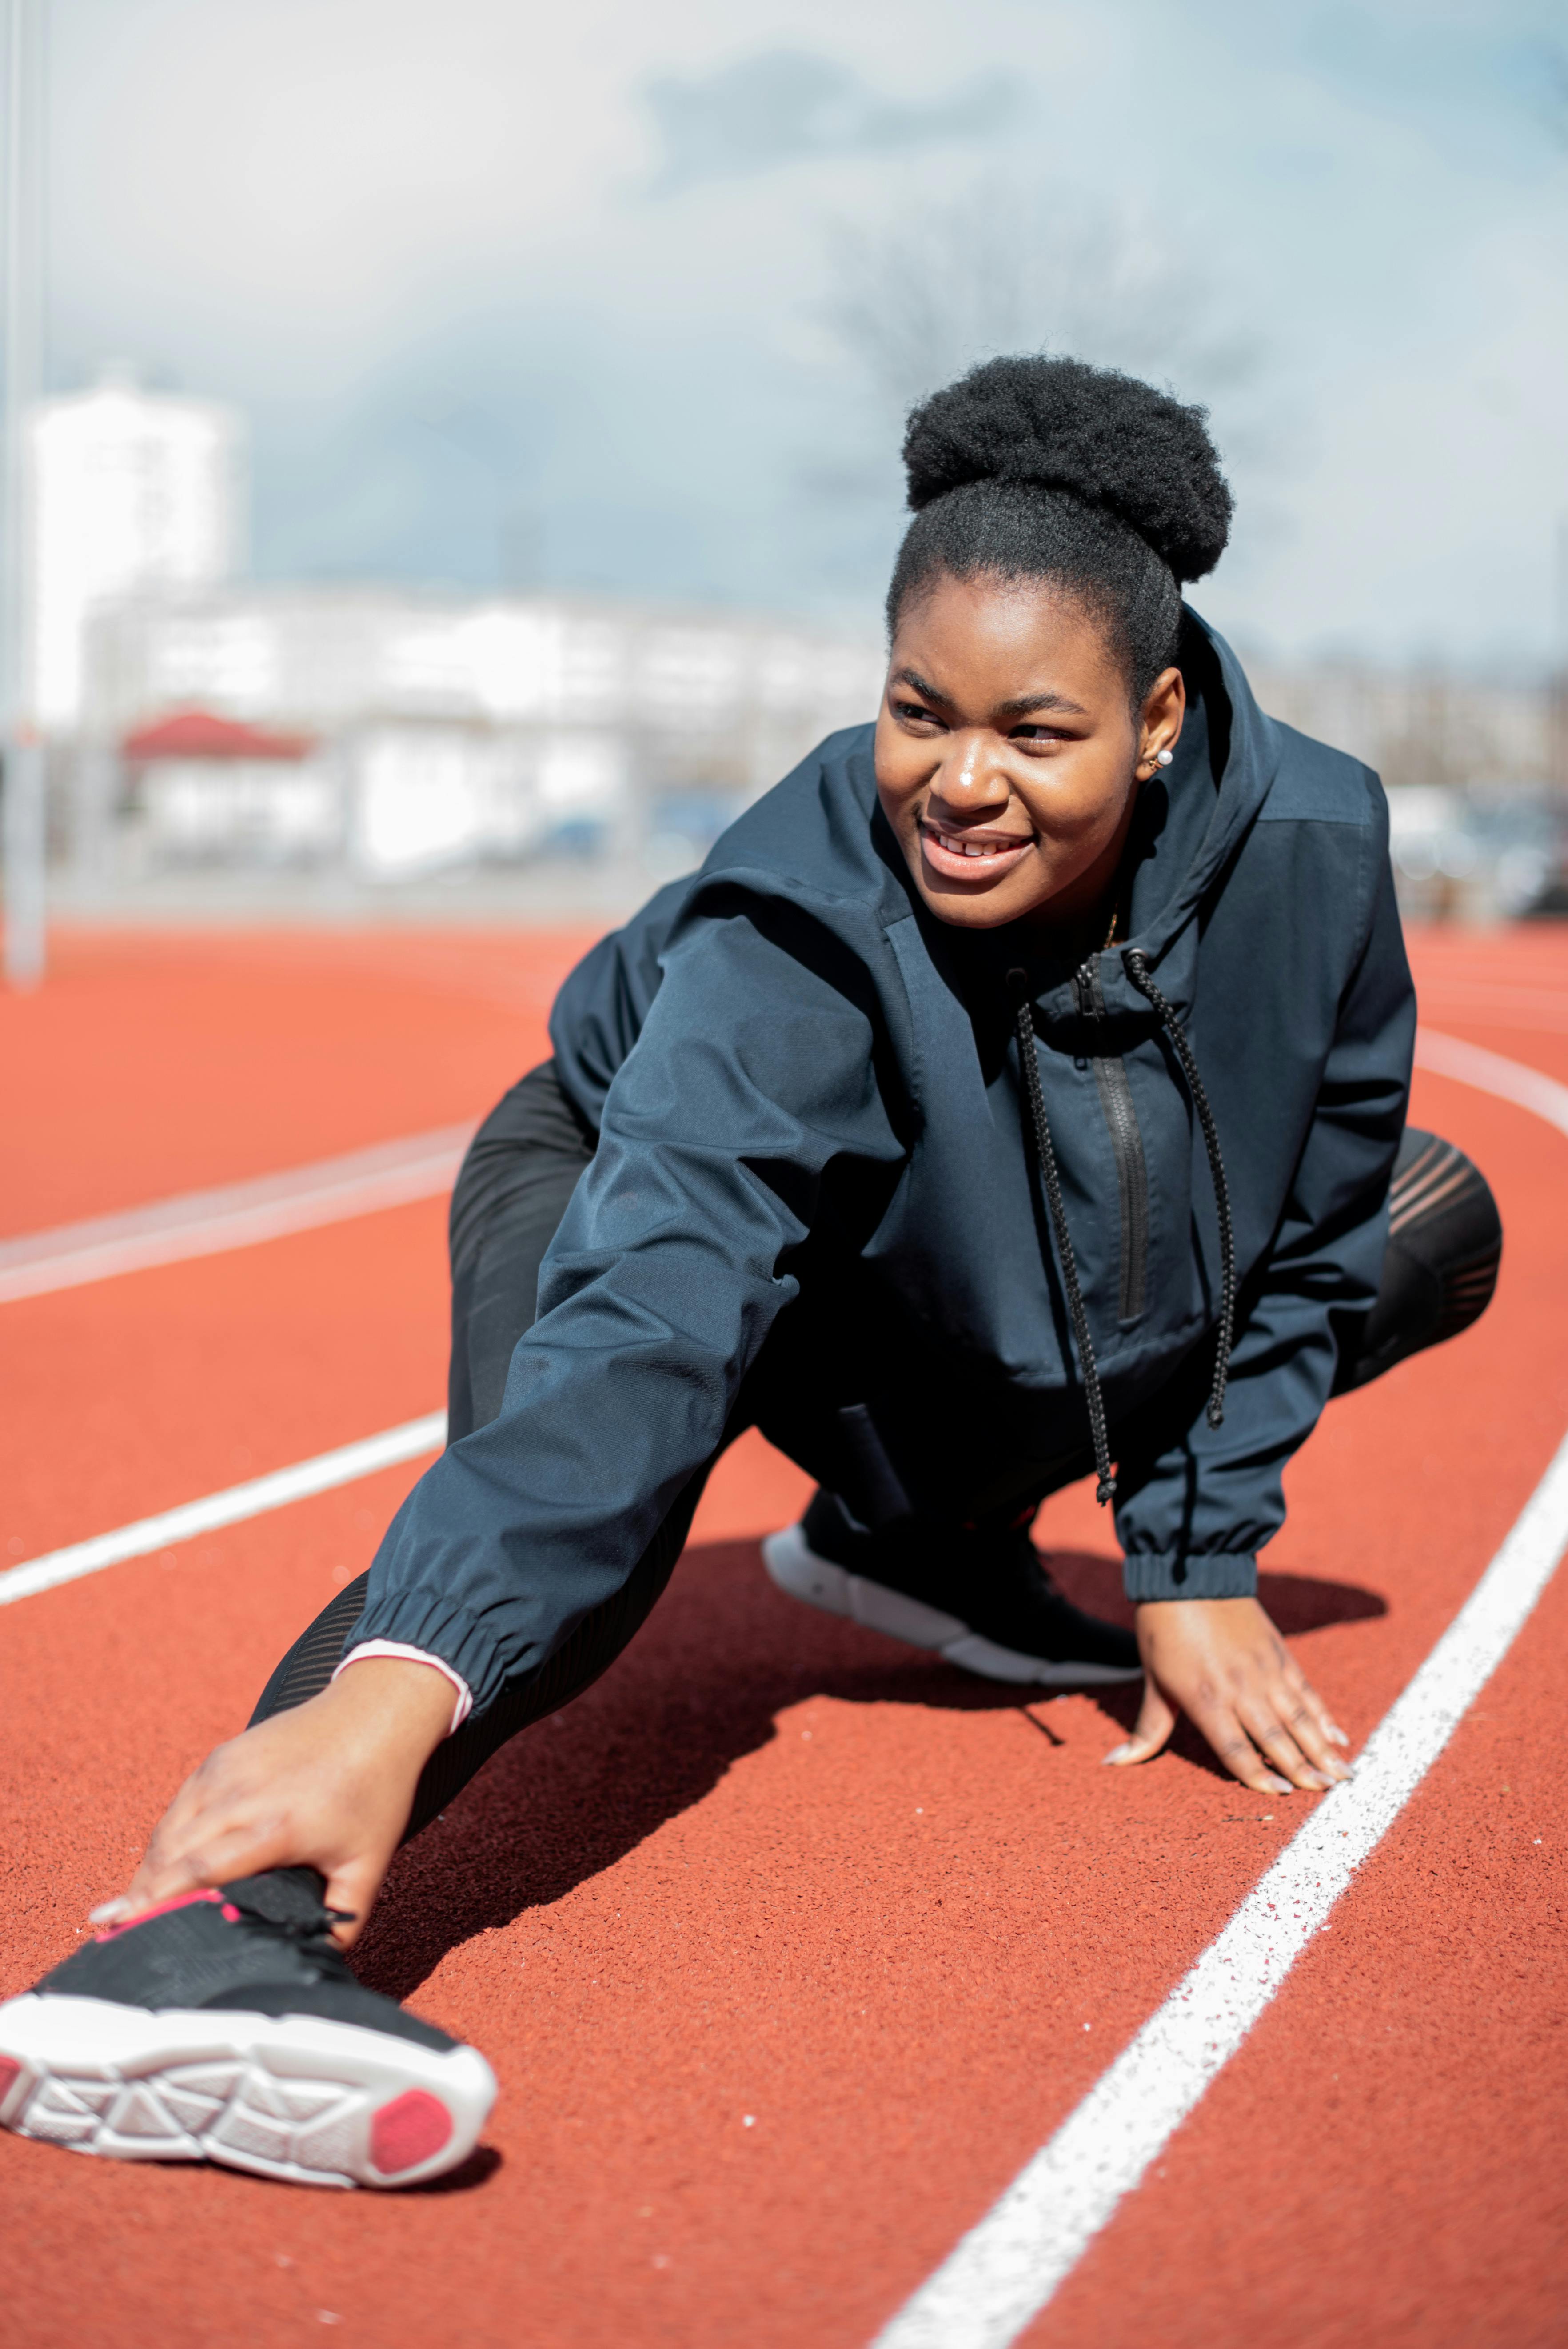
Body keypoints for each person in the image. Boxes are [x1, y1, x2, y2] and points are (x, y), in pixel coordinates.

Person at [0, 359, 1501, 2189]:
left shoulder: (1321, 851)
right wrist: (402, 1685)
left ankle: (912, 1544)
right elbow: (649, 1317)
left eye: (1034, 732)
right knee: (582, 1531)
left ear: (1162, 716)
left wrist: (1196, 1556)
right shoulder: (794, 933)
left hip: (927, 1233)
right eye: (914, 712)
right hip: (619, 1177)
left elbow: (1313, 1215)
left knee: (1427, 1220)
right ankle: (198, 1942)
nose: (959, 781)